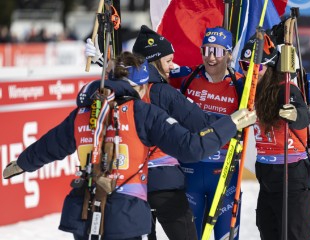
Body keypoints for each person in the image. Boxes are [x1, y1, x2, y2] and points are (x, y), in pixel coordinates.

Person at [3, 52, 256, 240]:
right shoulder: (142, 112)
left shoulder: (84, 111)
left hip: (84, 214)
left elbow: (50, 145)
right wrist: (230, 123)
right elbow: (192, 147)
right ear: (143, 85)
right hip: (125, 216)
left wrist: (21, 163)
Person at [85, 25, 218, 239]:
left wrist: (103, 63)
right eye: (167, 61)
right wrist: (231, 120)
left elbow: (111, 84)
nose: (172, 66)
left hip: (130, 182)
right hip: (164, 182)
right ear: (153, 62)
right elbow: (199, 122)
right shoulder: (162, 91)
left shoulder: (118, 91)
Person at [168, 26, 244, 240]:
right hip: (189, 169)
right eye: (206, 50)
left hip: (224, 172)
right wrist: (107, 63)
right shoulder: (187, 77)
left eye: (218, 51)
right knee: (190, 235)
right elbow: (149, 73)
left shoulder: (241, 84)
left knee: (225, 236)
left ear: (229, 54)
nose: (211, 57)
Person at [239, 33, 310, 240]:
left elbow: (304, 115)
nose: (250, 73)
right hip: (267, 174)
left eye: (256, 67)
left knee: (292, 234)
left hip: (292, 175)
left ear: (270, 65)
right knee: (268, 229)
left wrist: (294, 114)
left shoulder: (285, 88)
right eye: (245, 66)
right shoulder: (249, 92)